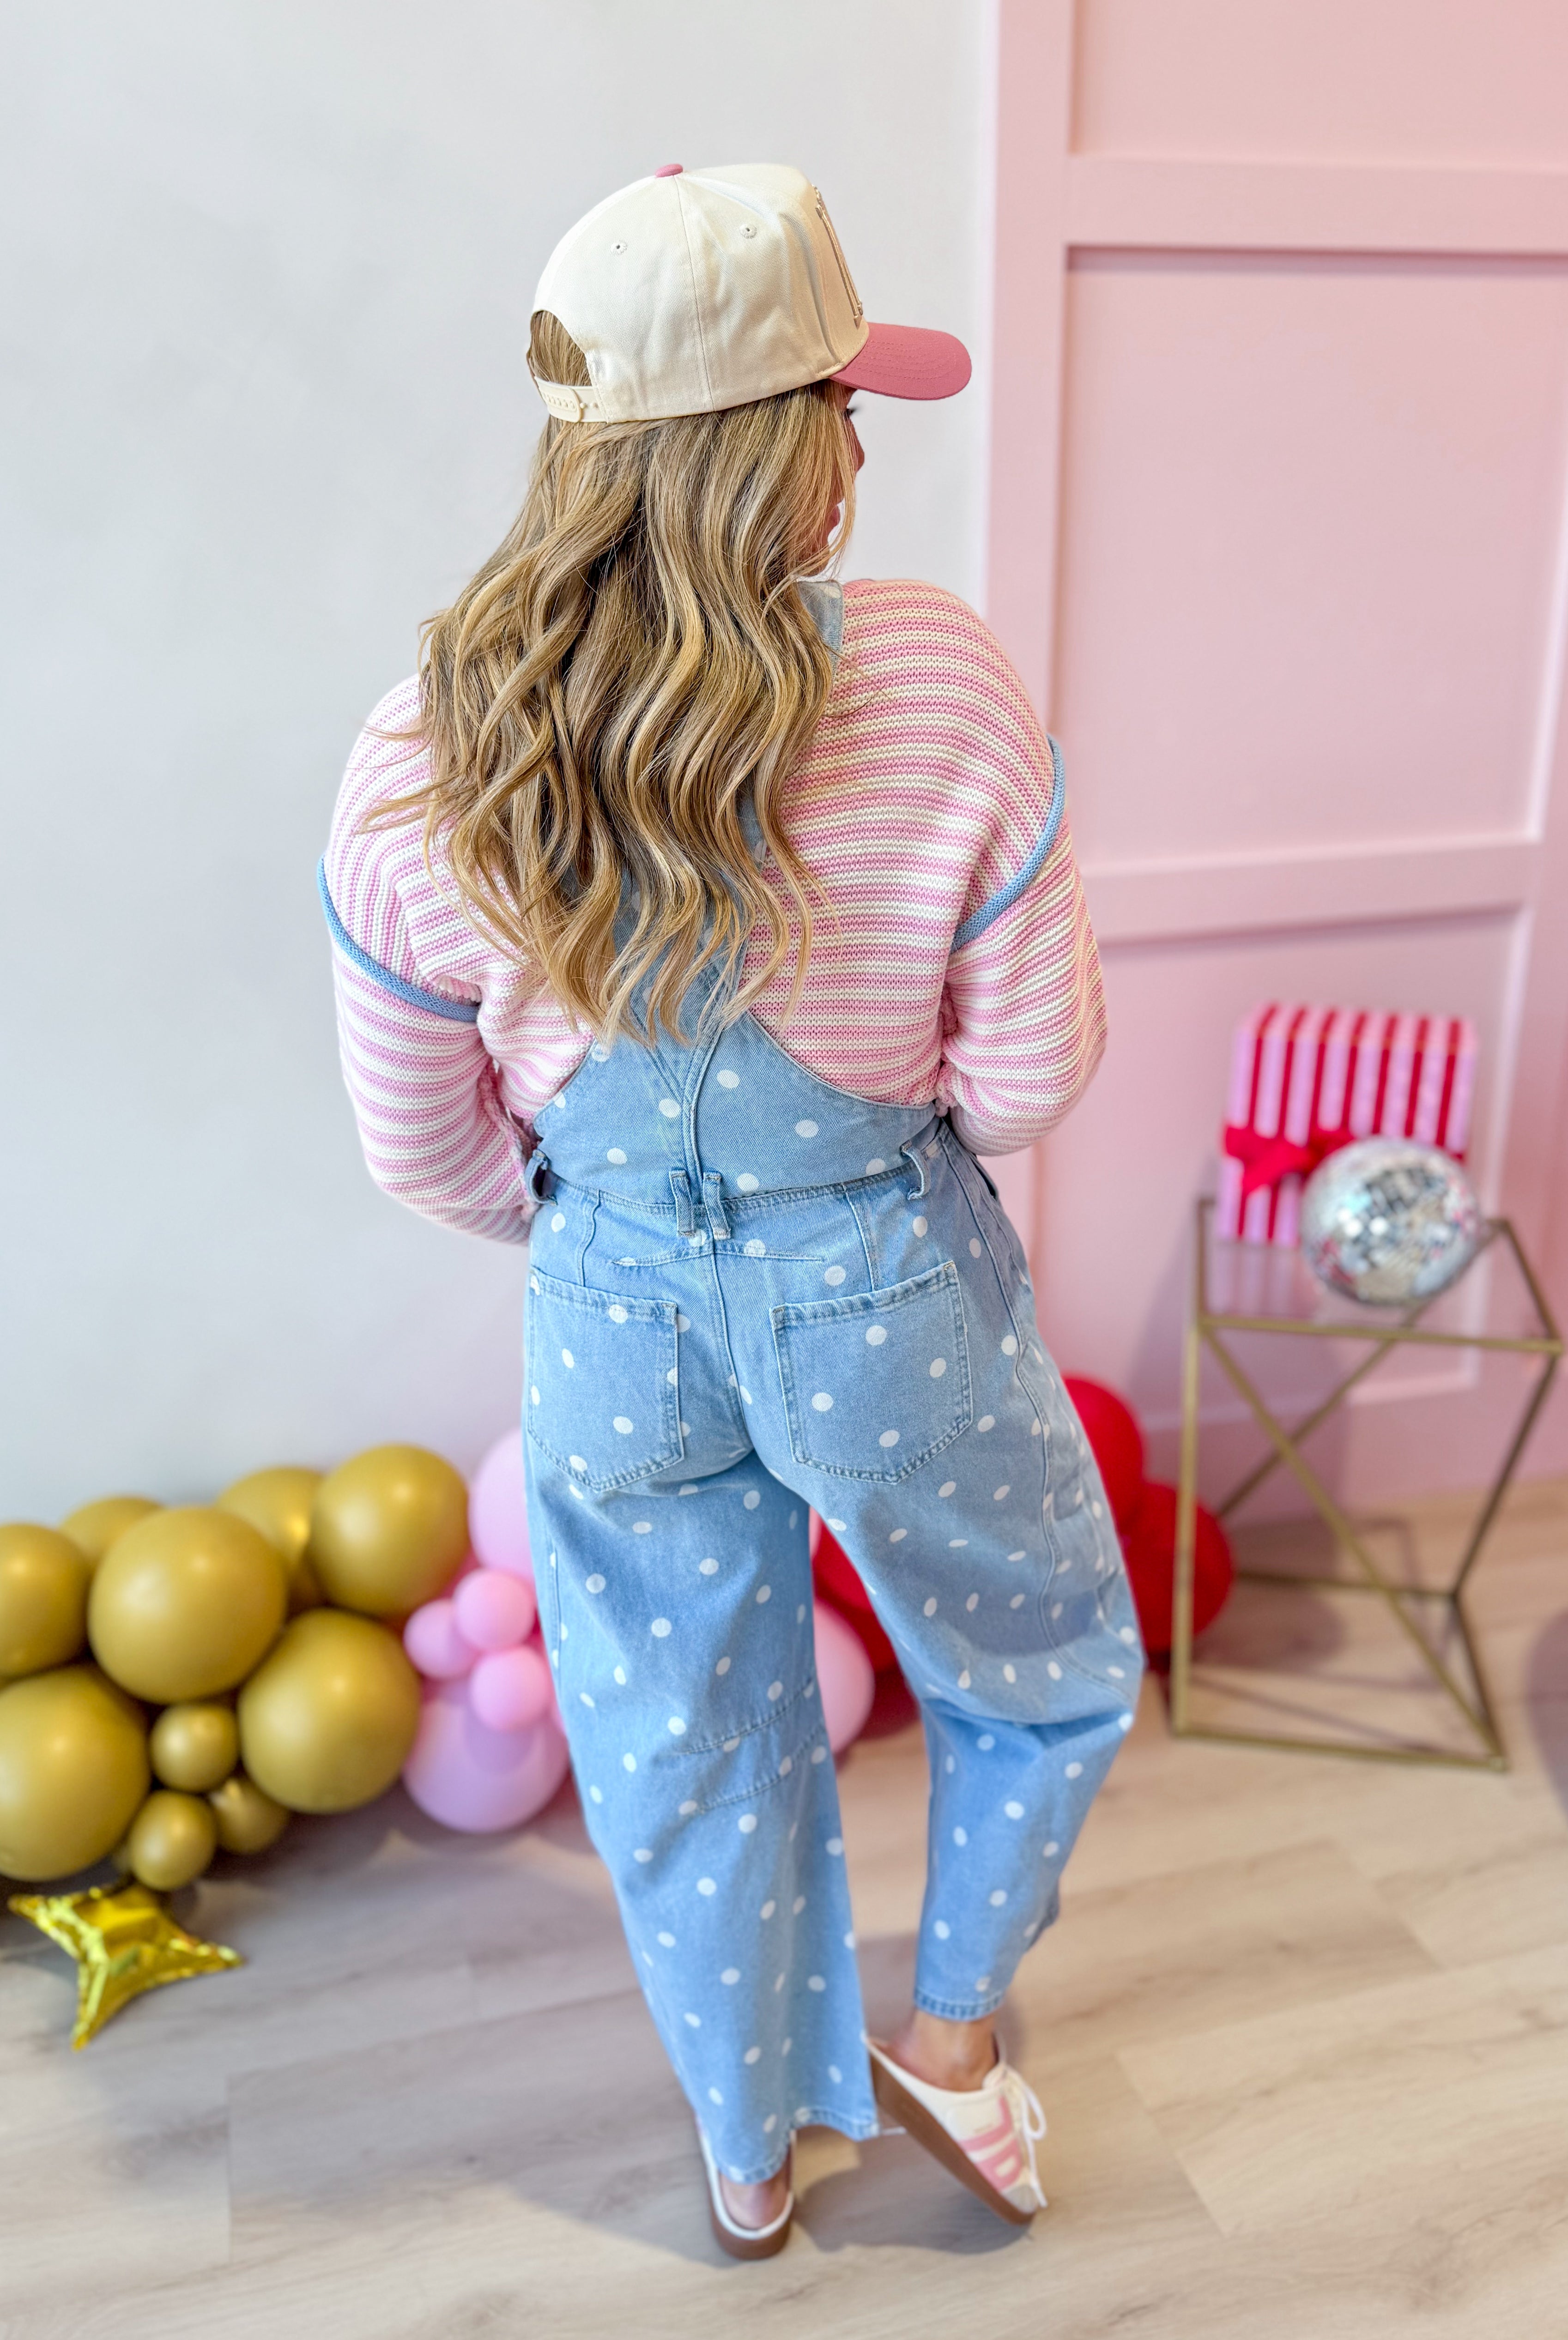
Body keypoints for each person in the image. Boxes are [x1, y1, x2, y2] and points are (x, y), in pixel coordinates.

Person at [321, 162, 1144, 2259]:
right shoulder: (940, 679)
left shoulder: (420, 753)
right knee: (1039, 1656)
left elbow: (423, 1146)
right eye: (846, 406)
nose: (864, 448)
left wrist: (614, 1231)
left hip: (613, 1310)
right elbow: (1032, 1073)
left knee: (682, 1729)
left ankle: (749, 2147)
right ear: (789, 442)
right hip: (884, 1278)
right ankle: (949, 2038)